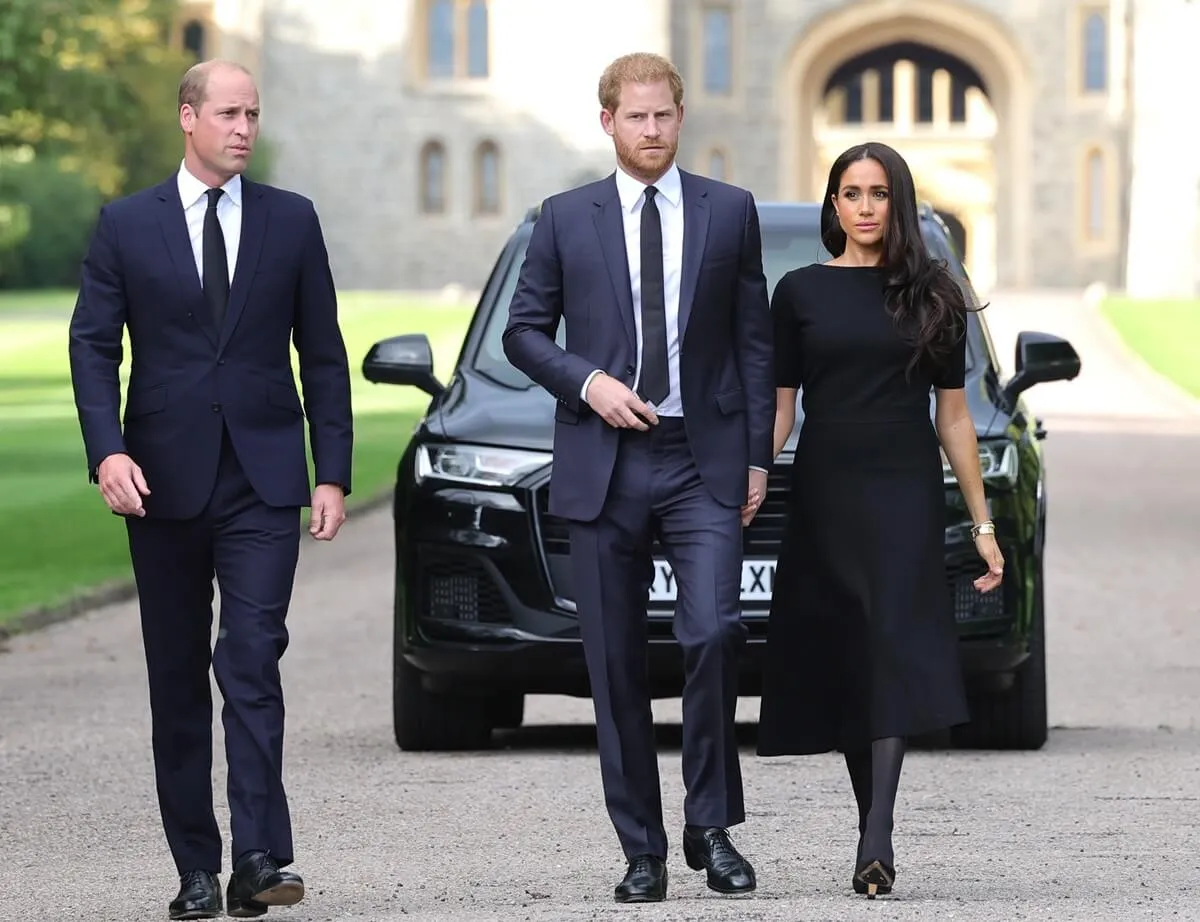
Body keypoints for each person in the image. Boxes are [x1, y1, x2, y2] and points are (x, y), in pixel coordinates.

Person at [68, 59, 353, 920]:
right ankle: (197, 865)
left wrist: (331, 470)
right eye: (228, 112)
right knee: (177, 677)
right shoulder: (125, 224)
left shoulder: (291, 221)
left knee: (253, 658)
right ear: (187, 118)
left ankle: (260, 857)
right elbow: (93, 348)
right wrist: (106, 452)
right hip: (159, 481)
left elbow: (326, 354)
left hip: (264, 480)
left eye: (252, 114)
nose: (243, 128)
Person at [502, 52, 774, 903]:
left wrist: (759, 453)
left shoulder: (729, 212)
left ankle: (711, 826)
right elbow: (522, 331)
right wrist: (589, 382)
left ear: (680, 118)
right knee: (614, 662)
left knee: (713, 633)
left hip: (703, 459)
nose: (651, 131)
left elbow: (753, 340)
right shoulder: (562, 217)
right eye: (636, 118)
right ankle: (642, 849)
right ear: (608, 123)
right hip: (603, 460)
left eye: (663, 116)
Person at [754, 141, 1004, 899]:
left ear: (897, 201)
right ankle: (872, 823)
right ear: (833, 206)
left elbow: (954, 419)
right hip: (827, 487)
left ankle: (878, 831)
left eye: (877, 193)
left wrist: (983, 526)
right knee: (848, 653)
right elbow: (780, 408)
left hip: (903, 489)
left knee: (893, 642)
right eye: (850, 193)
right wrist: (753, 475)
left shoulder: (933, 292)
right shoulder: (798, 292)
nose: (864, 206)